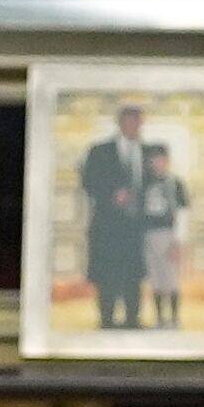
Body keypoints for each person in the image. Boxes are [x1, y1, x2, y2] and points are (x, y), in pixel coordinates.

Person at [79, 106, 164, 330]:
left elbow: (157, 185)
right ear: (120, 124)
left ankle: (132, 319)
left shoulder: (149, 153)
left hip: (137, 228)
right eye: (130, 122)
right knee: (107, 274)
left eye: (138, 122)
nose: (134, 127)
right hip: (107, 226)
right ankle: (107, 319)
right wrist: (110, 195)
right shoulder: (100, 151)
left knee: (134, 275)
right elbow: (88, 181)